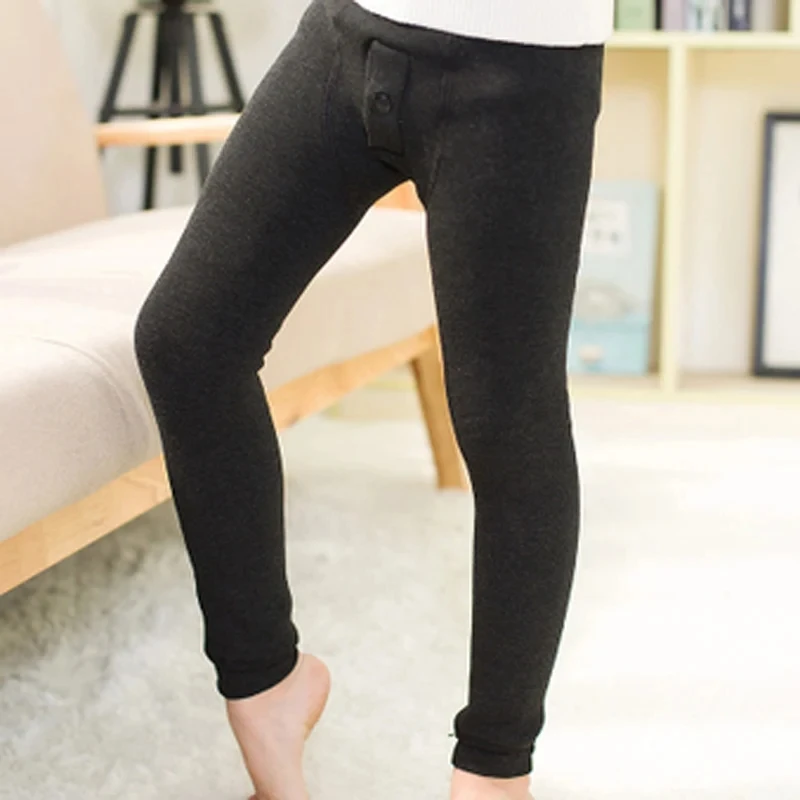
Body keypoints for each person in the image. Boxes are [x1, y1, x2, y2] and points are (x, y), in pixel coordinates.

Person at [133, 1, 613, 798]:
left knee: (507, 426)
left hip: (522, 62)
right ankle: (265, 686)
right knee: (187, 342)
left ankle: (494, 771)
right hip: (349, 34)